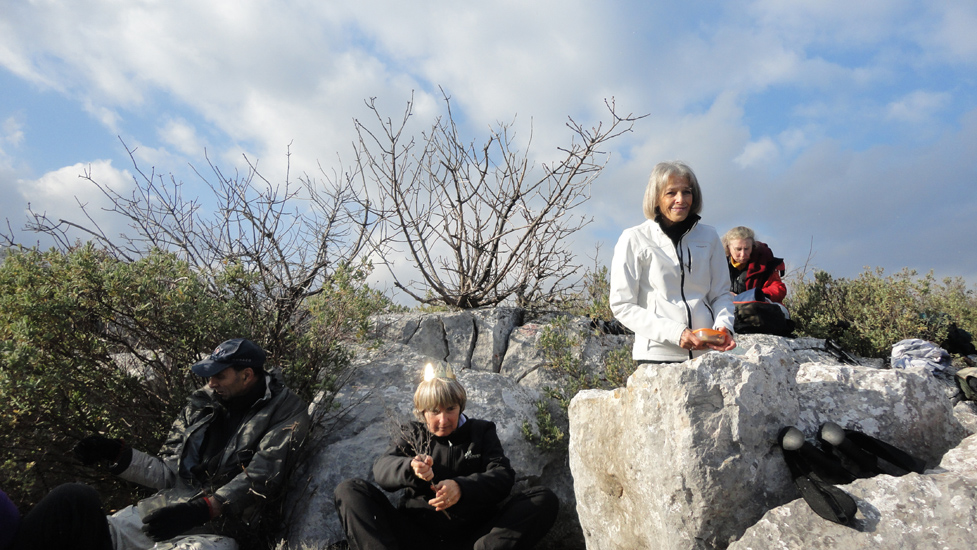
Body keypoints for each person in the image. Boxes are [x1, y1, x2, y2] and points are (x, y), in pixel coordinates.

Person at [42, 338, 312, 550]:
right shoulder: (202, 404)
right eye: (209, 376)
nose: (211, 383)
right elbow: (169, 472)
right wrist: (117, 453)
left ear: (247, 375)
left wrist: (204, 509)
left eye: (220, 376)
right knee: (97, 534)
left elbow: (262, 475)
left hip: (222, 529)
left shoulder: (287, 411)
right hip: (170, 508)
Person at [334, 363, 559, 550]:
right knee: (349, 490)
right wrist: (411, 468)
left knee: (543, 499)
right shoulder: (413, 434)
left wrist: (462, 488)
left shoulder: (480, 431)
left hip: (474, 540)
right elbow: (382, 470)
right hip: (415, 538)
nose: (443, 420)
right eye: (435, 411)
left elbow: (503, 476)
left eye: (450, 409)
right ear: (423, 412)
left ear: (460, 406)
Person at [609, 161, 736, 363]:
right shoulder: (634, 238)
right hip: (657, 355)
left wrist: (724, 326)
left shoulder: (709, 236)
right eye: (671, 193)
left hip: (708, 354)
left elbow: (720, 294)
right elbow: (622, 304)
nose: (681, 199)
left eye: (686, 192)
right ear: (655, 197)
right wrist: (676, 333)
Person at [722, 226, 786, 303]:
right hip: (726, 306)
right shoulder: (717, 264)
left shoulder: (765, 262)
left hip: (758, 306)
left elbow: (778, 288)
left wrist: (755, 295)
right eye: (738, 249)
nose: (743, 254)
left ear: (753, 246)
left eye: (746, 249)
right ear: (728, 248)